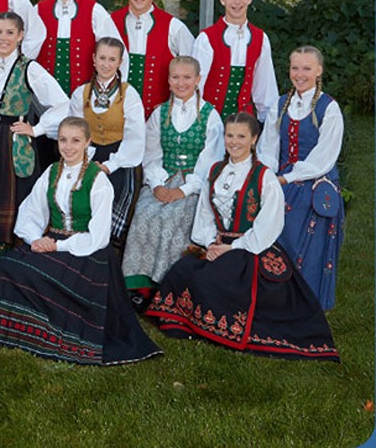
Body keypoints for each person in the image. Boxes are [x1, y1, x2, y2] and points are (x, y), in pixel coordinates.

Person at [145, 113, 339, 361]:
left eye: (241, 136)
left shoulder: (264, 176)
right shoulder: (216, 171)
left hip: (250, 248)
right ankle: (194, 323)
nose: (234, 142)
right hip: (217, 243)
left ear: (254, 139)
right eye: (229, 135)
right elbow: (204, 215)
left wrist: (233, 247)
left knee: (225, 279)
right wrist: (211, 243)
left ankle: (215, 325)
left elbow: (269, 225)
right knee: (182, 271)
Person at [0, 116, 162, 365]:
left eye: (75, 140)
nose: (68, 146)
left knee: (41, 276)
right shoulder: (52, 172)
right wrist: (36, 240)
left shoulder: (98, 180)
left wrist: (58, 245)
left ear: (88, 142)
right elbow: (30, 212)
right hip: (51, 241)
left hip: (87, 251)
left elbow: (99, 237)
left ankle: (51, 334)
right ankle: (17, 332)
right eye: (63, 140)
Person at [0, 11, 68, 267]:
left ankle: (11, 264)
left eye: (10, 32)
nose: (3, 38)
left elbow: (62, 104)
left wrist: (36, 129)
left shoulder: (30, 68)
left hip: (13, 142)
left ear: (20, 36)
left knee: (11, 196)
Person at [121, 56, 224, 310]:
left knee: (176, 217)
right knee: (145, 213)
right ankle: (139, 286)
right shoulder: (160, 113)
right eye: (175, 77)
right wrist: (157, 184)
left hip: (193, 182)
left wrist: (184, 189)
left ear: (198, 80)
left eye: (187, 77)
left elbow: (209, 160)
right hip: (163, 177)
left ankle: (168, 287)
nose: (181, 82)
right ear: (168, 80)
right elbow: (151, 153)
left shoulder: (210, 116)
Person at [257, 46, 344, 310]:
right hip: (282, 176)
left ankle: (302, 297)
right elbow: (268, 147)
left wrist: (288, 179)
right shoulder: (280, 104)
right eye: (295, 68)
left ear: (319, 71)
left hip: (315, 178)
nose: (300, 74)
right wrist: (269, 175)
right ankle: (270, 293)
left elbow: (323, 157)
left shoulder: (329, 108)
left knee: (295, 220)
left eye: (307, 68)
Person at [69, 37, 144, 251]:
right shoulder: (81, 93)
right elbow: (76, 132)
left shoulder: (128, 95)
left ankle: (110, 257)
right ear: (93, 59)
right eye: (102, 57)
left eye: (112, 59)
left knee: (115, 199)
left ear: (120, 62)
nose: (106, 64)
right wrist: (86, 161)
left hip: (121, 159)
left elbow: (135, 138)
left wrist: (110, 166)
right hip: (88, 156)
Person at [34, 0, 126, 96]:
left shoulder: (95, 10)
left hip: (85, 96)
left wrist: (111, 91)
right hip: (44, 96)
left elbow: (118, 50)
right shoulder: (39, 9)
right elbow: (26, 52)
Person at [111, 0, 194, 118]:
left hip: (158, 116)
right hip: (117, 114)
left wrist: (175, 104)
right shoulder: (111, 22)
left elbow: (192, 68)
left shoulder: (173, 26)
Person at [192, 0, 278, 121]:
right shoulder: (206, 38)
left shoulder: (260, 39)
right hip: (210, 120)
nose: (237, 1)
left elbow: (265, 87)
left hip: (244, 124)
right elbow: (195, 86)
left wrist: (268, 124)